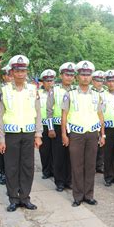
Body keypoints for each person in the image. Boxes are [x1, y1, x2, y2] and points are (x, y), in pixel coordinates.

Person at [0, 55, 43, 212]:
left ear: (26, 72)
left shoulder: (33, 90)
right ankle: (13, 199)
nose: (20, 74)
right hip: (11, 135)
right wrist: (0, 139)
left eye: (23, 70)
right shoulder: (4, 91)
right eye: (17, 70)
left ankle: (25, 197)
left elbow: (38, 113)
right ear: (12, 72)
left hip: (28, 134)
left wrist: (38, 134)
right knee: (11, 167)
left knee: (28, 167)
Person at [61, 61, 105, 207]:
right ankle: (78, 196)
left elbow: (100, 115)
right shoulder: (70, 94)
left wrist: (102, 134)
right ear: (77, 76)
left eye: (88, 75)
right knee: (77, 165)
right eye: (82, 75)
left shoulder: (96, 95)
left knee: (90, 165)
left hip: (92, 133)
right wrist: (64, 134)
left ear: (91, 77)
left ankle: (89, 195)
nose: (85, 78)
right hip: (76, 134)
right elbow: (64, 115)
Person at [46, 62, 76, 192]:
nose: (69, 77)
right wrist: (51, 128)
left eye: (71, 75)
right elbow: (49, 110)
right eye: (66, 75)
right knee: (58, 155)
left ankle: (69, 180)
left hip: (73, 128)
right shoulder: (55, 90)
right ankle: (59, 181)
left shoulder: (76, 91)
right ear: (61, 75)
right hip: (58, 127)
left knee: (71, 155)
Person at [38, 69, 56, 180]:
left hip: (55, 125)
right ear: (43, 82)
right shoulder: (38, 93)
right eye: (46, 81)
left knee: (55, 150)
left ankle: (54, 170)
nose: (49, 83)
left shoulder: (57, 92)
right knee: (44, 150)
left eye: (51, 80)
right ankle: (46, 171)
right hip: (43, 125)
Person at [92, 70, 106, 174]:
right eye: (97, 80)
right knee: (93, 146)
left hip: (103, 121)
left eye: (101, 80)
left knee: (102, 144)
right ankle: (92, 164)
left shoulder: (105, 92)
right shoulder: (90, 91)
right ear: (93, 81)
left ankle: (100, 165)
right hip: (93, 121)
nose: (99, 83)